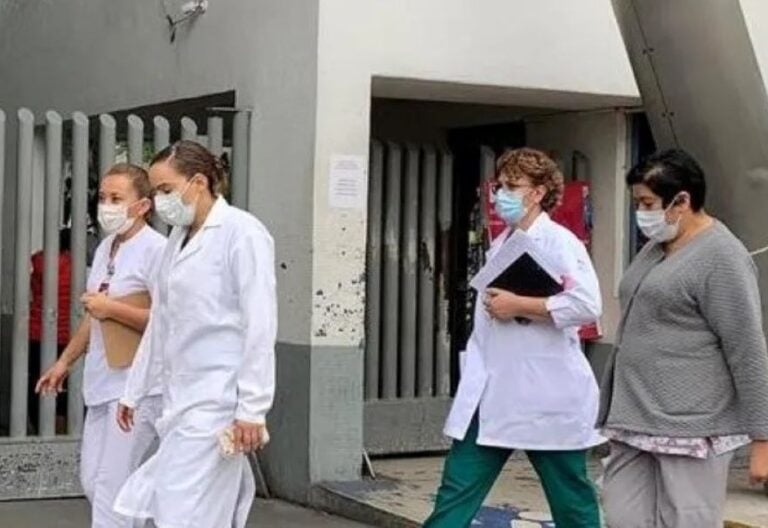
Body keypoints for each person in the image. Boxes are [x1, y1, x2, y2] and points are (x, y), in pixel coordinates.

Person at [424, 147, 603, 528]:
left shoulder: (559, 242)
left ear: (537, 193)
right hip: (492, 390)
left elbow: (588, 305)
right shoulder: (502, 242)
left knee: (571, 500)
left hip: (546, 393)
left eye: (511, 186)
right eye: (499, 186)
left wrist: (520, 305)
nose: (500, 195)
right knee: (456, 490)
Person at [598, 149, 768, 528]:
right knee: (622, 517)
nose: (641, 213)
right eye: (637, 203)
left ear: (682, 201)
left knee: (687, 521)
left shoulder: (722, 256)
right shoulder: (655, 247)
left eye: (647, 204)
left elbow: (747, 349)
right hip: (633, 416)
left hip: (691, 426)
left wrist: (763, 438)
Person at [113, 140, 277, 528]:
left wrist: (252, 409)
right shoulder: (177, 239)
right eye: (156, 192)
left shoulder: (242, 233)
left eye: (166, 190)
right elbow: (162, 322)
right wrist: (134, 390)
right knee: (196, 512)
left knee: (177, 510)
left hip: (217, 400)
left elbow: (260, 322)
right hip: (181, 399)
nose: (160, 201)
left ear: (199, 182)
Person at [36, 163, 166, 527]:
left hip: (137, 388)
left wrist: (112, 309)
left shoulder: (157, 251)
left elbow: (167, 321)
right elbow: (93, 316)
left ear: (143, 205)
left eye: (116, 198)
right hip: (101, 383)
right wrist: (64, 362)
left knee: (111, 489)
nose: (106, 206)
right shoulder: (107, 247)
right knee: (94, 482)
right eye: (103, 197)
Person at [28, 228, 72, 435]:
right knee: (63, 387)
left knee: (37, 382)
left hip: (37, 333)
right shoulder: (75, 266)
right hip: (67, 337)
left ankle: (39, 431)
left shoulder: (38, 260)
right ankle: (61, 433)